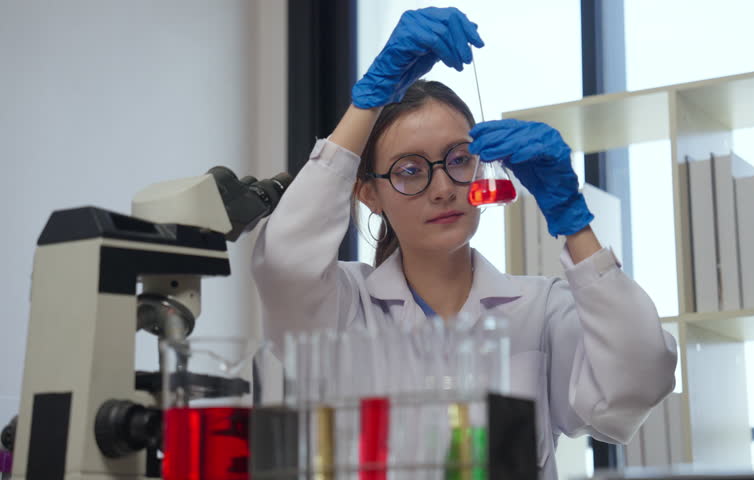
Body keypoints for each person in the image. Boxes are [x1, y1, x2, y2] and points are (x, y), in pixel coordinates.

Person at [252, 7, 677, 479]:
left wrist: (574, 222)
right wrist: (366, 102)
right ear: (368, 192)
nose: (443, 188)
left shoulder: (540, 310)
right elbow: (286, 262)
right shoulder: (346, 307)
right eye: (409, 170)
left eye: (458, 159)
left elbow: (638, 380)